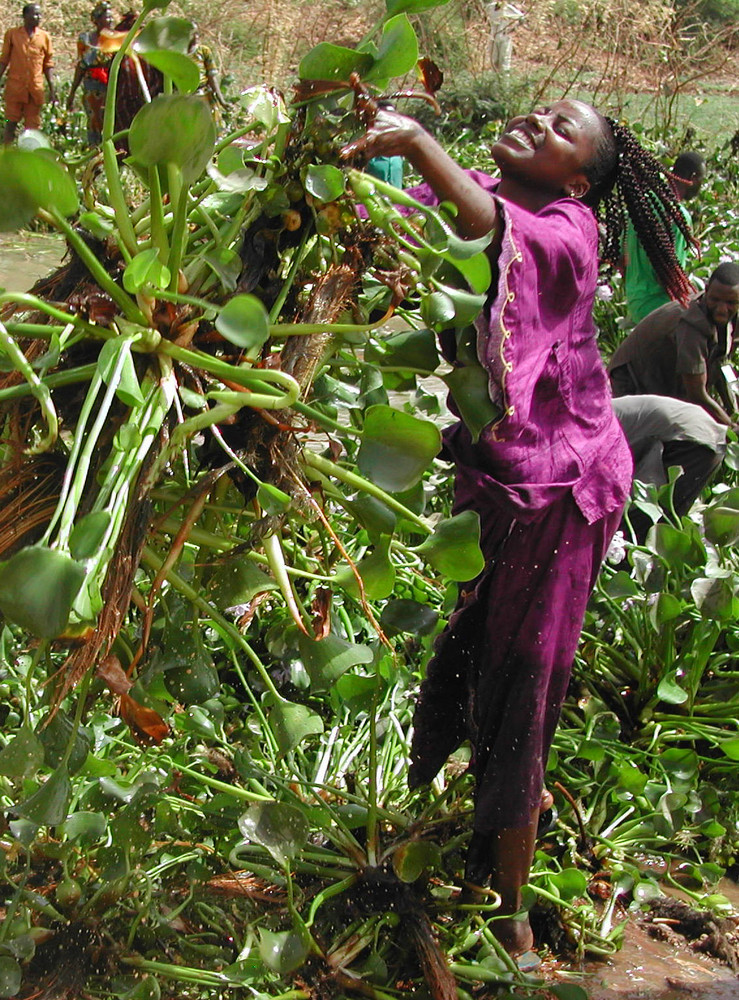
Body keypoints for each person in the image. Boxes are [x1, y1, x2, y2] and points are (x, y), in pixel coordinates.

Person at [341, 100, 692, 957]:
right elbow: (403, 218)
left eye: (560, 128)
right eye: (538, 110)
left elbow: (490, 225)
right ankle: (476, 842)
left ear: (578, 179)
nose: (536, 122)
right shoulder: (489, 189)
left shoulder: (570, 227)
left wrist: (418, 140)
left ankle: (509, 913)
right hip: (500, 481)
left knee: (521, 685)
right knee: (469, 648)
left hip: (562, 491)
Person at [609, 262, 739, 427]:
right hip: (633, 382)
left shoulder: (731, 316)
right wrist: (731, 428)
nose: (722, 309)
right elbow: (697, 395)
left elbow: (722, 362)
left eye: (731, 303)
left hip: (666, 377)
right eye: (715, 300)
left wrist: (732, 410)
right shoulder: (692, 325)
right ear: (706, 291)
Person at [612, 394, 726, 542]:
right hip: (702, 433)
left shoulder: (580, 427)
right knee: (663, 518)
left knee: (645, 517)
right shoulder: (590, 414)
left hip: (685, 439)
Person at [623, 151, 705, 324]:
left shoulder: (641, 203)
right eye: (701, 180)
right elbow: (669, 277)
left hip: (635, 301)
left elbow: (624, 257)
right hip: (660, 307)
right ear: (693, 177)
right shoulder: (678, 216)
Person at [0, 3, 56, 145]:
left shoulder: (44, 37)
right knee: (10, 122)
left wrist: (52, 88)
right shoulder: (12, 35)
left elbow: (48, 65)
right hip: (15, 89)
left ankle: (29, 159)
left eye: (39, 14)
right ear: (25, 16)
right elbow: (4, 61)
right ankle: (6, 155)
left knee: (32, 129)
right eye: (34, 14)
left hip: (35, 91)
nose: (38, 17)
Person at [67, 2, 119, 146]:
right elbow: (81, 66)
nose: (110, 21)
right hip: (92, 87)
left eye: (110, 17)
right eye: (106, 17)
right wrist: (72, 93)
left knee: (111, 121)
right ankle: (94, 153)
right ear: (96, 20)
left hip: (112, 87)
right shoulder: (86, 39)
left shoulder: (116, 39)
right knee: (94, 121)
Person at [189, 25, 226, 111]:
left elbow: (212, 78)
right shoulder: (176, 54)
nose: (196, 37)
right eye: (192, 34)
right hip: (183, 98)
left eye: (197, 33)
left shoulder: (203, 51)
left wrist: (221, 100)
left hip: (202, 96)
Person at [486, 2, 525, 76]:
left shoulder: (508, 8)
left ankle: (505, 84)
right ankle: (494, 83)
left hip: (504, 37)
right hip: (493, 37)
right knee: (493, 62)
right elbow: (486, 16)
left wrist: (512, 29)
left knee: (504, 62)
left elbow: (522, 18)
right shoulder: (490, 7)